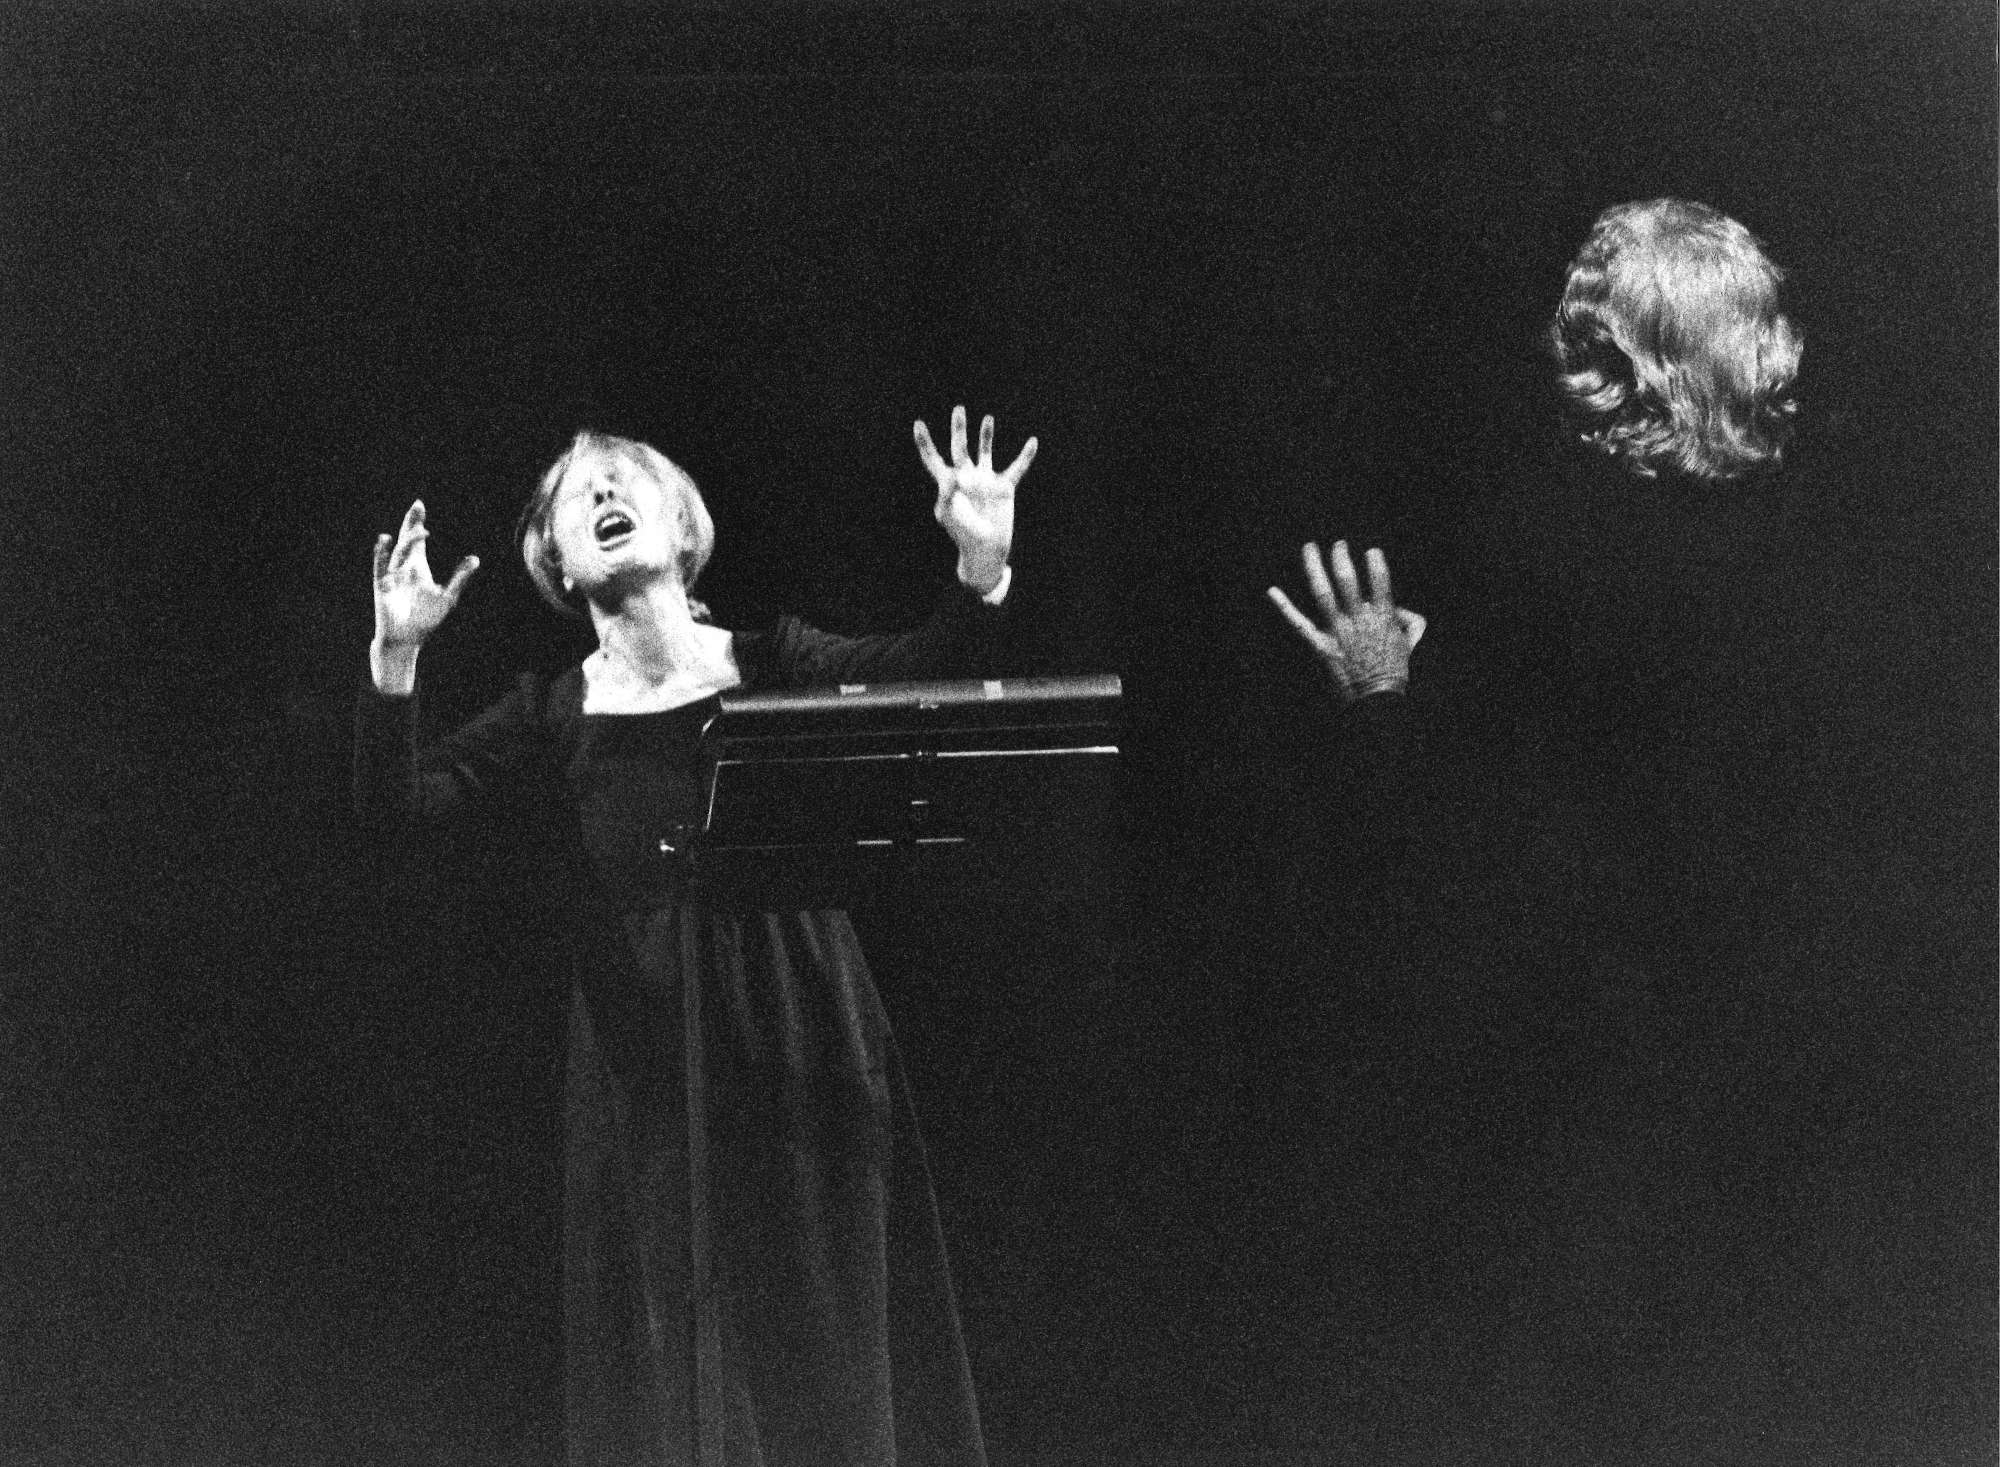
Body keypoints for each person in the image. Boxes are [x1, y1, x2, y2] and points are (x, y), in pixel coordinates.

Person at [354, 406, 1037, 1467]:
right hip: (645, 1051)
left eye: (623, 479)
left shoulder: (773, 659)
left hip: (799, 1016)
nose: (602, 493)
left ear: (681, 526)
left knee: (824, 1335)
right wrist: (396, 656)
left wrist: (979, 567)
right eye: (576, 496)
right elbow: (395, 811)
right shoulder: (550, 709)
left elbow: (929, 677)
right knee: (679, 1358)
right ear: (557, 565)